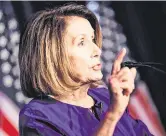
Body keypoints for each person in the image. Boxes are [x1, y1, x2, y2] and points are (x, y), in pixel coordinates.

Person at [18, 3, 153, 136]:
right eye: (81, 42)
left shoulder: (105, 97)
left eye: (93, 39)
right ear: (53, 56)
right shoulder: (38, 116)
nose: (97, 50)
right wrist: (112, 115)